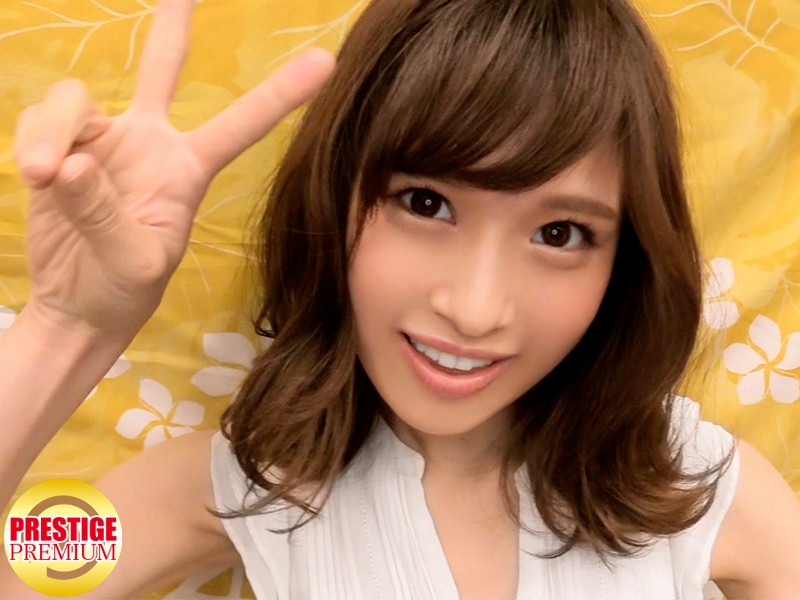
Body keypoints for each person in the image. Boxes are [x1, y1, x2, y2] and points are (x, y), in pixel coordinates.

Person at [1, 0, 799, 597]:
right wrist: (65, 329)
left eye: (560, 234)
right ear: (335, 198)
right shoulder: (244, 483)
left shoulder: (700, 487)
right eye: (426, 203)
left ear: (624, 261)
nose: (476, 308)